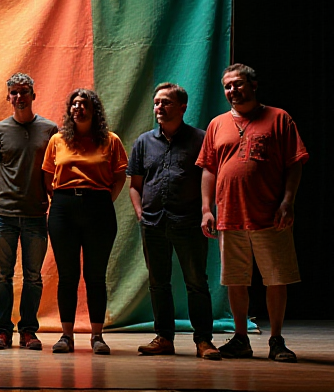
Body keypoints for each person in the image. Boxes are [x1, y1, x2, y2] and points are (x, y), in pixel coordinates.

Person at [197, 64, 308, 363]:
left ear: (254, 85)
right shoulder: (217, 124)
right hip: (229, 216)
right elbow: (208, 168)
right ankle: (241, 340)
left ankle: (276, 340)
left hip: (271, 216)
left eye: (238, 84)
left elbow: (295, 162)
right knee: (236, 280)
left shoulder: (279, 118)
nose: (232, 91)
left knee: (276, 279)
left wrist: (288, 201)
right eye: (227, 86)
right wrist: (207, 209)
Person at [128, 83, 220, 360]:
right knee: (158, 283)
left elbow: (210, 177)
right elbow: (135, 185)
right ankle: (164, 338)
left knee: (196, 283)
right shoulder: (143, 142)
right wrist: (139, 213)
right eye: (156, 102)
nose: (159, 107)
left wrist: (206, 210)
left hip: (189, 222)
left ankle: (204, 341)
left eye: (165, 102)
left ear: (182, 107)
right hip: (153, 224)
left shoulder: (201, 139)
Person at [41, 88, 127, 355]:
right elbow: (47, 176)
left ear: (94, 110)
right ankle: (66, 337)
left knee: (95, 276)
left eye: (84, 103)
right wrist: (63, 200)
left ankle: (97, 336)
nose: (78, 107)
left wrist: (102, 200)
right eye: (74, 104)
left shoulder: (111, 140)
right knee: (67, 275)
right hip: (63, 209)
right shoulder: (57, 140)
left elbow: (120, 176)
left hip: (99, 208)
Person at [0, 73, 57, 351]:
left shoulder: (50, 130)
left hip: (36, 216)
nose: (19, 97)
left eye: (24, 91)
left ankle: (28, 330)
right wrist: (7, 195)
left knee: (33, 276)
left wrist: (40, 197)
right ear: (8, 97)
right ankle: (3, 331)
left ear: (33, 94)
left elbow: (53, 171)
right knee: (2, 274)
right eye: (14, 92)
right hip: (3, 215)